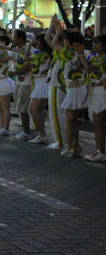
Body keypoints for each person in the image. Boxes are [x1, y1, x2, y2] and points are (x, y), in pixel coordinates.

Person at [46, 18, 87, 158]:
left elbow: (51, 42)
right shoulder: (79, 53)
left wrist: (58, 32)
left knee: (69, 122)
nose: (64, 42)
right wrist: (61, 32)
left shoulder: (67, 53)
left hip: (72, 90)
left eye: (66, 40)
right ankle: (77, 146)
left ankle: (70, 148)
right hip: (80, 88)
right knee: (74, 120)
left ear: (70, 42)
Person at [7, 30, 35, 140]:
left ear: (20, 38)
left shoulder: (28, 50)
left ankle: (27, 132)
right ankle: (27, 130)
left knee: (23, 108)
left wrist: (15, 73)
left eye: (15, 37)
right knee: (20, 108)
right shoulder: (18, 51)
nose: (13, 39)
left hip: (27, 83)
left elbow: (29, 67)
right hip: (20, 83)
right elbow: (6, 57)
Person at [83, 34, 106, 162]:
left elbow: (87, 68)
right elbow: (81, 67)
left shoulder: (103, 59)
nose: (94, 46)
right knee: (97, 123)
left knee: (98, 123)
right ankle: (99, 150)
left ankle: (101, 151)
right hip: (95, 91)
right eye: (93, 43)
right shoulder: (96, 57)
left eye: (97, 43)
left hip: (101, 92)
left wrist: (80, 53)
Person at [27, 35, 54, 144]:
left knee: (32, 110)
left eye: (37, 42)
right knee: (39, 110)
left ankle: (42, 134)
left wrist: (28, 46)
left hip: (41, 83)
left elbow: (25, 58)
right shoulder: (45, 54)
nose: (36, 43)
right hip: (41, 82)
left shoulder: (42, 54)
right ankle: (42, 134)